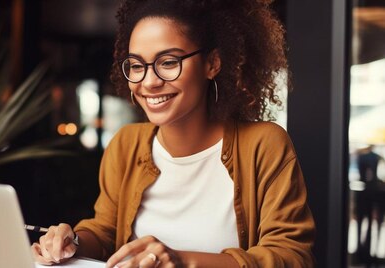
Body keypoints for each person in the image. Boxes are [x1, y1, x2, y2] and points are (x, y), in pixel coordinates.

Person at [31, 0, 315, 267]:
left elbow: (291, 256)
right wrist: (73, 243)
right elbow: (105, 230)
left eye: (168, 62)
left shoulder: (263, 145)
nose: (150, 82)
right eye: (137, 66)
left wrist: (182, 261)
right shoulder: (126, 144)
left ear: (212, 64)